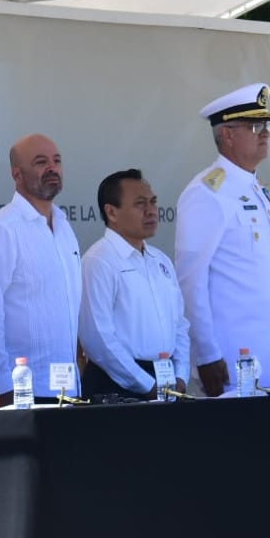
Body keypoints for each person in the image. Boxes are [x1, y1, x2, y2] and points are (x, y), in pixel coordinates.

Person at [174, 84, 270, 395]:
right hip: (232, 364)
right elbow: (191, 281)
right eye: (255, 126)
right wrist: (206, 355)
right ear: (227, 135)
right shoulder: (207, 193)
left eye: (266, 125)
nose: (265, 132)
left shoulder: (259, 190)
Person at [0, 134, 83, 401]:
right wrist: (1, 385)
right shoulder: (2, 230)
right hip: (21, 392)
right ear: (17, 174)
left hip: (68, 389)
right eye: (40, 162)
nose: (52, 168)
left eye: (57, 161)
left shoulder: (64, 227)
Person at [77, 169, 190, 400]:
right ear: (112, 212)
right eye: (140, 204)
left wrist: (181, 377)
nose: (151, 211)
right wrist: (145, 384)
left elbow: (180, 326)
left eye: (153, 202)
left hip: (165, 380)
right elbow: (98, 339)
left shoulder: (161, 260)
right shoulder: (98, 260)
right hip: (116, 386)